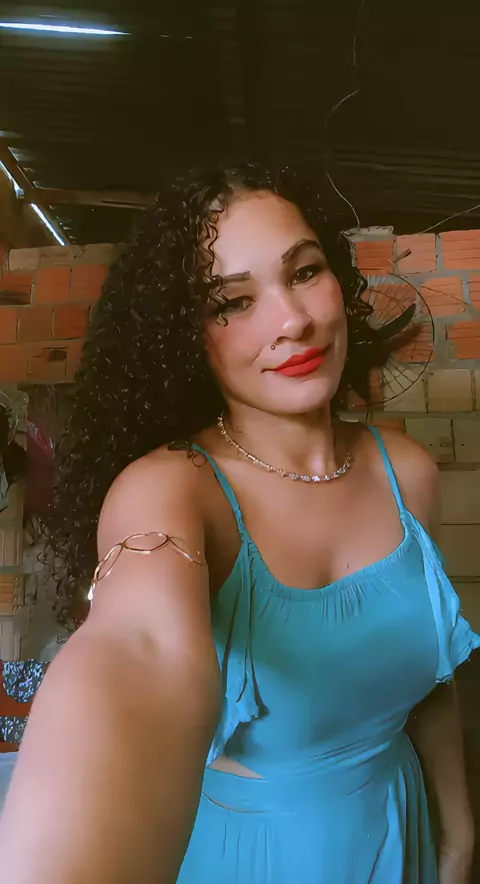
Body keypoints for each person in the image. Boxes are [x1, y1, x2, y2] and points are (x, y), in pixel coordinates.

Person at [0, 164, 478, 884]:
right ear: (186, 336)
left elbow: (430, 671)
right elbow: (139, 651)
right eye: (232, 302)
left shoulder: (406, 471)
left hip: (398, 827)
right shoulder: (172, 488)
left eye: (304, 272)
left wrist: (459, 834)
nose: (292, 321)